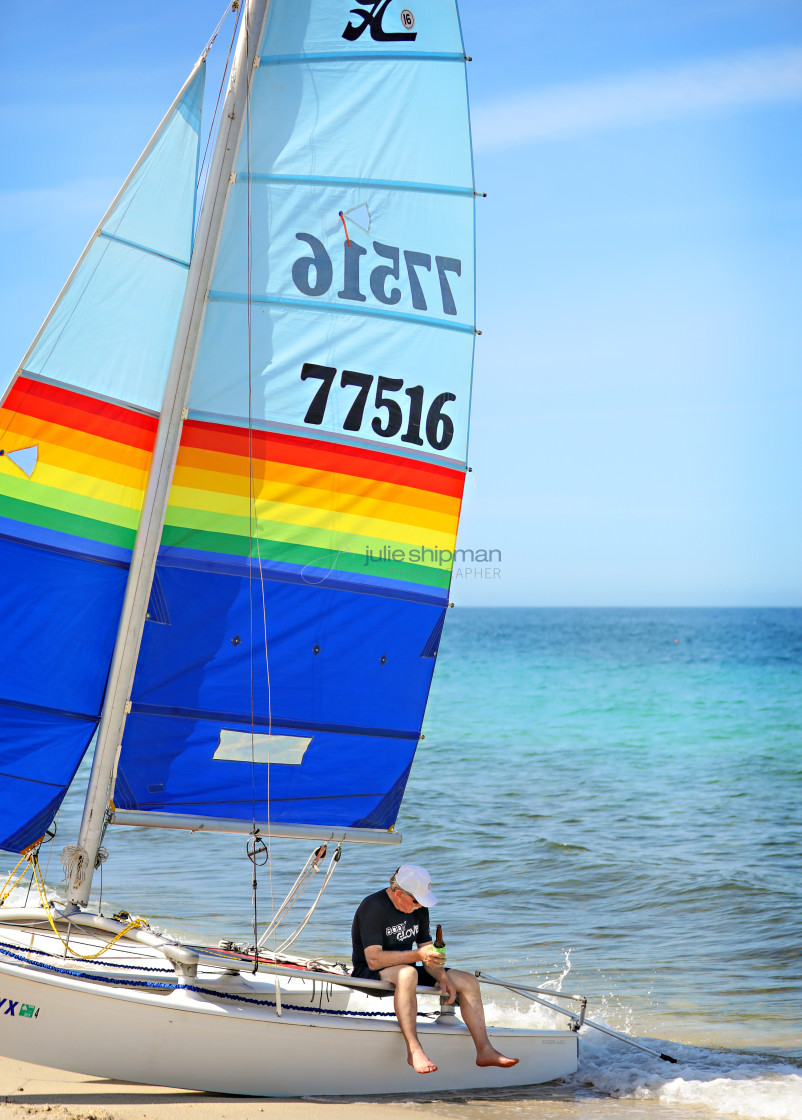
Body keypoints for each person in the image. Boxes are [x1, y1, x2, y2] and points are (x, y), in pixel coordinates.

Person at [351, 863, 519, 1075]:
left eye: (423, 901)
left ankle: (485, 1050)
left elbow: (425, 950)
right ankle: (414, 1050)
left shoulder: (419, 909)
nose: (420, 906)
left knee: (468, 981)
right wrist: (418, 956)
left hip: (406, 969)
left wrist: (441, 976)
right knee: (408, 972)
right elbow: (374, 960)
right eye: (416, 901)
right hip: (370, 972)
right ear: (399, 893)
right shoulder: (373, 907)